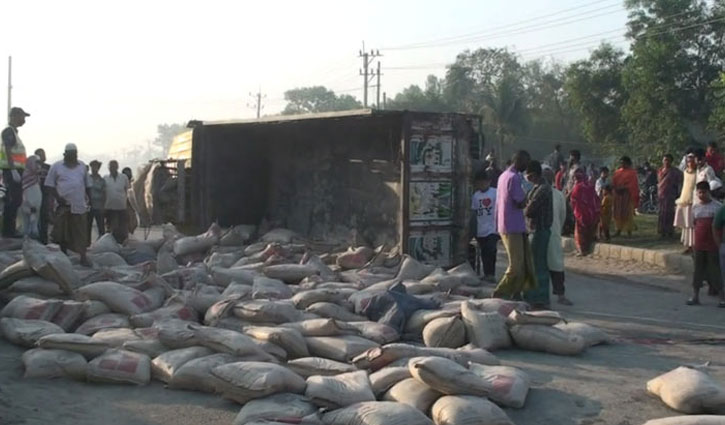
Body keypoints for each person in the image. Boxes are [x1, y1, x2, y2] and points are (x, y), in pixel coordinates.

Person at [493, 150, 537, 300]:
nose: (527, 165)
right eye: (526, 162)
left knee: (523, 262)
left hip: (507, 224)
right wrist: (527, 198)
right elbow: (520, 202)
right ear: (519, 161)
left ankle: (516, 292)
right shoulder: (514, 178)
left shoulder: (503, 176)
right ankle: (500, 291)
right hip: (512, 225)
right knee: (516, 264)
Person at [45, 143, 92, 266]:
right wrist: (58, 198)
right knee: (61, 233)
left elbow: (88, 186)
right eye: (70, 155)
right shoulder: (56, 166)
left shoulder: (82, 166)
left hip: (79, 206)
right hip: (63, 206)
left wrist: (90, 201)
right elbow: (49, 185)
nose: (72, 157)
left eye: (74, 155)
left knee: (80, 233)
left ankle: (82, 257)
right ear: (65, 155)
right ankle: (63, 255)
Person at [687, 181, 724, 307]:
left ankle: (721, 297)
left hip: (713, 244)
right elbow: (694, 226)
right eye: (699, 192)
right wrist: (692, 243)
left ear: (709, 192)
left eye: (704, 192)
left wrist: (718, 243)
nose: (702, 195)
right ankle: (695, 296)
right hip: (699, 244)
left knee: (715, 271)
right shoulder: (695, 208)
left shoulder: (717, 207)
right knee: (698, 271)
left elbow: (718, 227)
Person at [522, 160, 553, 308]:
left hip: (539, 230)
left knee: (538, 265)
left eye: (527, 175)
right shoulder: (536, 187)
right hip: (534, 230)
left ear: (533, 175)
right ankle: (532, 295)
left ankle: (539, 297)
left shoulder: (543, 189)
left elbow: (529, 210)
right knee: (534, 264)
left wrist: (523, 208)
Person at [543, 166, 572, 305]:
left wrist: (557, 230)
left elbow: (562, 215)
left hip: (553, 233)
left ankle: (560, 294)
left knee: (556, 266)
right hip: (544, 233)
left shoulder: (558, 195)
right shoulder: (536, 192)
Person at [1, 107, 30, 238]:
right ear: (14, 116)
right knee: (13, 200)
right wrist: (13, 170)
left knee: (15, 200)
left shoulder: (14, 133)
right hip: (11, 171)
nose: (24, 120)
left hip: (16, 171)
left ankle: (10, 229)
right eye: (22, 116)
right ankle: (8, 231)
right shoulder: (9, 132)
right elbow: (7, 150)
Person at [471, 170, 498, 282]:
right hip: (481, 229)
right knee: (483, 252)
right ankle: (486, 273)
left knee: (491, 250)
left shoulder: (495, 193)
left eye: (483, 182)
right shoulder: (476, 196)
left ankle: (491, 273)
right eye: (479, 183)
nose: (481, 185)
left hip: (492, 228)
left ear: (489, 182)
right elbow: (474, 211)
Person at [570, 169, 600, 256]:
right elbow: (595, 198)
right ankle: (587, 248)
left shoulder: (577, 187)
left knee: (580, 232)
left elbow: (573, 200)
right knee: (589, 230)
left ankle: (582, 250)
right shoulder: (589, 186)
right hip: (591, 212)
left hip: (581, 212)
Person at [675, 153, 698, 254]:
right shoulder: (685, 172)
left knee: (692, 224)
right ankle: (688, 245)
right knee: (686, 224)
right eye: (689, 162)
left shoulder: (698, 173)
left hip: (693, 200)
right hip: (685, 198)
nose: (690, 164)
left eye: (692, 161)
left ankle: (694, 245)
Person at [612, 156, 639, 237]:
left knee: (628, 213)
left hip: (627, 195)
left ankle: (629, 231)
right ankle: (618, 230)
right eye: (621, 162)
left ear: (628, 163)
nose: (622, 164)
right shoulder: (617, 172)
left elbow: (633, 185)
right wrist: (616, 188)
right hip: (618, 195)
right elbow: (614, 183)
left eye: (624, 162)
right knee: (617, 213)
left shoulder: (632, 173)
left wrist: (624, 188)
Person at [657, 154, 683, 238]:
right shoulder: (660, 170)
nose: (666, 162)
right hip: (661, 195)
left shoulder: (675, 172)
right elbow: (659, 182)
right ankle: (662, 231)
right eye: (665, 160)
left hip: (671, 195)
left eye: (668, 160)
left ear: (671, 161)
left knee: (669, 213)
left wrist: (679, 193)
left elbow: (679, 182)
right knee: (662, 213)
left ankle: (670, 231)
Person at [104, 160, 130, 243]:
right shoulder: (105, 178)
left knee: (122, 228)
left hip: (121, 207)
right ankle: (111, 243)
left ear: (117, 167)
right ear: (108, 168)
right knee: (111, 228)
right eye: (110, 166)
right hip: (109, 207)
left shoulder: (123, 177)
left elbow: (127, 190)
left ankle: (122, 243)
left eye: (114, 166)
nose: (112, 168)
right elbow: (103, 193)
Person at [20, 155, 42, 239]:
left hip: (35, 206)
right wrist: (31, 206)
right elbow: (26, 194)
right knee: (28, 225)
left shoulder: (35, 177)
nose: (38, 165)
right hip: (28, 205)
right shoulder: (27, 176)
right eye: (36, 163)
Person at [34, 148, 51, 244]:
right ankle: (35, 238)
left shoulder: (49, 167)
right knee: (35, 217)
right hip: (35, 195)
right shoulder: (32, 167)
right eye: (40, 155)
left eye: (43, 154)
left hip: (46, 194)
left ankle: (44, 239)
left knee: (44, 216)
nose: (42, 156)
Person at [88, 160, 106, 240]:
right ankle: (86, 244)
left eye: (96, 167)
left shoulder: (102, 180)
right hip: (89, 206)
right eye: (92, 167)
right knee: (87, 227)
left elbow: (105, 193)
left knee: (101, 227)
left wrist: (104, 206)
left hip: (99, 206)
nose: (94, 169)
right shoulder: (87, 179)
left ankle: (102, 243)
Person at [122, 166, 138, 235]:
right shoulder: (122, 183)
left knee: (132, 223)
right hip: (123, 206)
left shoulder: (132, 184)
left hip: (129, 206)